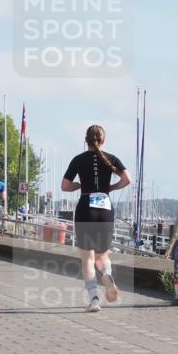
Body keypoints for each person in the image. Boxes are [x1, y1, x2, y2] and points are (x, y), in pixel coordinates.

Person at [61, 125, 131, 313]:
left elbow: (65, 186)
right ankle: (106, 274)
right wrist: (111, 188)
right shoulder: (111, 158)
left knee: (87, 259)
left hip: (86, 208)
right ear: (103, 140)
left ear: (86, 140)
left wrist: (78, 185)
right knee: (102, 256)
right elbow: (127, 179)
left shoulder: (78, 159)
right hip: (105, 209)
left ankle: (93, 299)